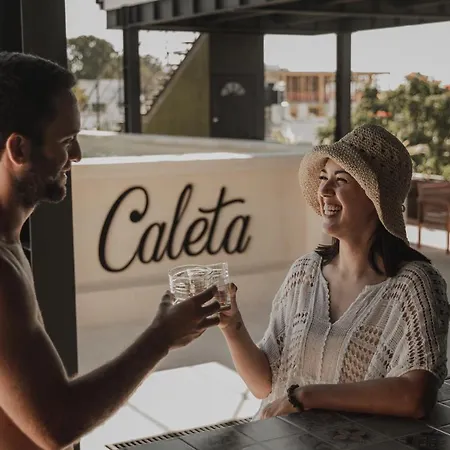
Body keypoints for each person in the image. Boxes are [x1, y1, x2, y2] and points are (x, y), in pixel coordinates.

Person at [0, 51, 222, 450]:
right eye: (66, 141)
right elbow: (55, 424)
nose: (77, 156)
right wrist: (160, 338)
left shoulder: (11, 244)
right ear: (19, 150)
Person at [220, 124, 450, 421]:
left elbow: (416, 396)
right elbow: (264, 384)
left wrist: (306, 397)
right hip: (276, 437)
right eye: (323, 178)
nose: (324, 191)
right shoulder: (304, 273)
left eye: (341, 180)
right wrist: (232, 325)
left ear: (375, 198)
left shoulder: (415, 286)